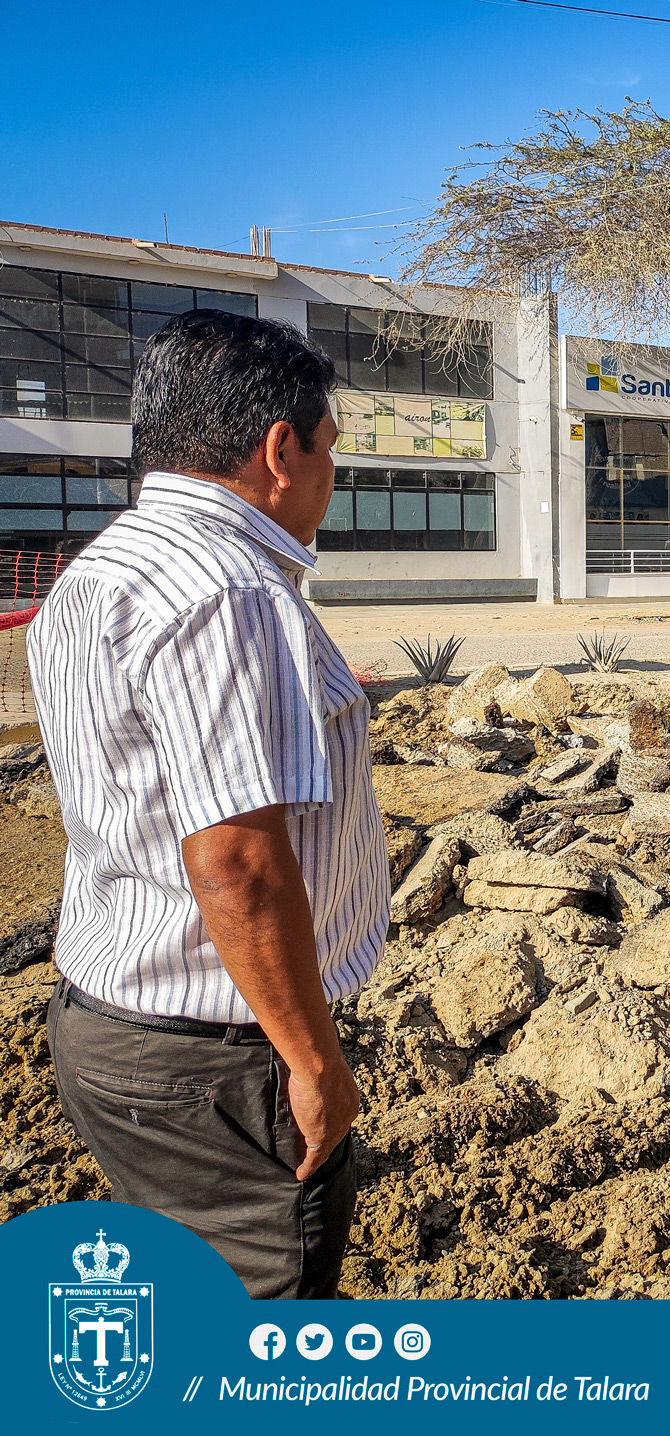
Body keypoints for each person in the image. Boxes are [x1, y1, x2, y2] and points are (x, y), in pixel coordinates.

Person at [28, 310, 383, 1300]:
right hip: (217, 1057)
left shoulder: (99, 573)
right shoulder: (230, 591)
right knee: (265, 1334)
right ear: (281, 449)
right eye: (329, 449)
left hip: (109, 1022)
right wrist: (312, 1063)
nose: (330, 476)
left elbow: (144, 757)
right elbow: (235, 860)